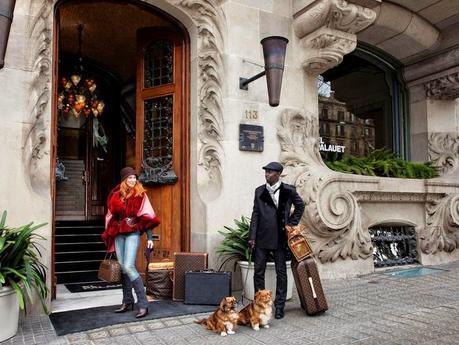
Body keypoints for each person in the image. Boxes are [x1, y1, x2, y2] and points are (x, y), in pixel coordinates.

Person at [248, 162, 305, 319]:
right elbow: (255, 214)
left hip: (280, 237)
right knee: (258, 272)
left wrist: (290, 224)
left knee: (281, 273)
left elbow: (300, 206)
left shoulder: (289, 190)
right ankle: (260, 305)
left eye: (270, 172)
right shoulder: (259, 191)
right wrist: (252, 237)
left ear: (278, 174)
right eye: (265, 172)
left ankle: (280, 306)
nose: (266, 174)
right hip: (261, 238)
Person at [102, 167, 160, 318]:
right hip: (119, 234)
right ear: (124, 180)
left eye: (135, 177)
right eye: (130, 178)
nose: (133, 180)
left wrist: (149, 238)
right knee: (122, 267)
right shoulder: (115, 195)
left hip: (133, 233)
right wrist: (110, 232)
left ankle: (143, 304)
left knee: (128, 266)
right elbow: (111, 216)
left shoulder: (141, 195)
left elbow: (147, 218)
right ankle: (127, 301)